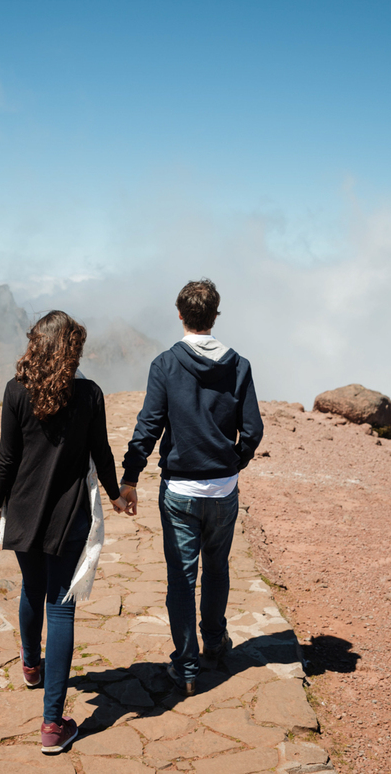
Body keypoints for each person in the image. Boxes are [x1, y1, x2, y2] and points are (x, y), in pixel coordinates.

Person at [0, 310, 129, 754]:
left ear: (36, 344)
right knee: (62, 609)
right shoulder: (88, 394)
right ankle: (52, 725)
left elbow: (7, 458)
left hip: (25, 511)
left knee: (31, 588)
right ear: (72, 351)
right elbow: (101, 451)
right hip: (69, 517)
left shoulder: (16, 391)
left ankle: (31, 665)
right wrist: (116, 493)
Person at [119, 279, 264, 695]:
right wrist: (234, 462)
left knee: (181, 578)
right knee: (217, 569)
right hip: (222, 490)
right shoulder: (240, 365)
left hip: (180, 492)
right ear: (215, 316)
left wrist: (130, 477)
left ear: (179, 314)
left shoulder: (165, 364)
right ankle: (215, 643)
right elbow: (252, 430)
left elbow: (148, 426)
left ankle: (185, 666)